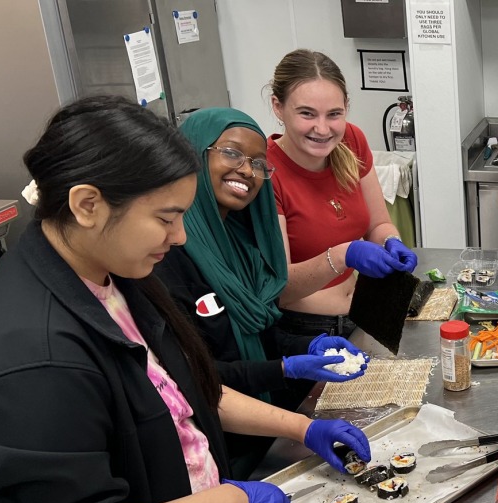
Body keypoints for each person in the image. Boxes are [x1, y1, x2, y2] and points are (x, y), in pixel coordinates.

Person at [0, 95, 373, 503]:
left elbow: (190, 391)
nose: (181, 236)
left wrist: (300, 428)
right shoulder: (40, 356)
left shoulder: (119, 276)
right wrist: (228, 500)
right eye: (167, 217)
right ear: (87, 205)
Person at [152, 107, 368, 477]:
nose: (247, 171)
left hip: (264, 432)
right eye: (232, 153)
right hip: (219, 451)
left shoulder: (241, 244)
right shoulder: (164, 258)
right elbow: (196, 377)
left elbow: (261, 332)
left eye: (257, 162)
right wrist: (284, 369)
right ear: (192, 154)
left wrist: (306, 348)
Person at [267, 49, 418, 338]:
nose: (322, 129)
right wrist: (343, 255)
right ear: (278, 106)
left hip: (364, 312)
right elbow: (281, 289)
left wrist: (390, 241)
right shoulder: (268, 173)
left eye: (334, 114)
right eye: (307, 114)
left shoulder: (351, 140)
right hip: (305, 331)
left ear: (346, 106)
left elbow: (378, 224)